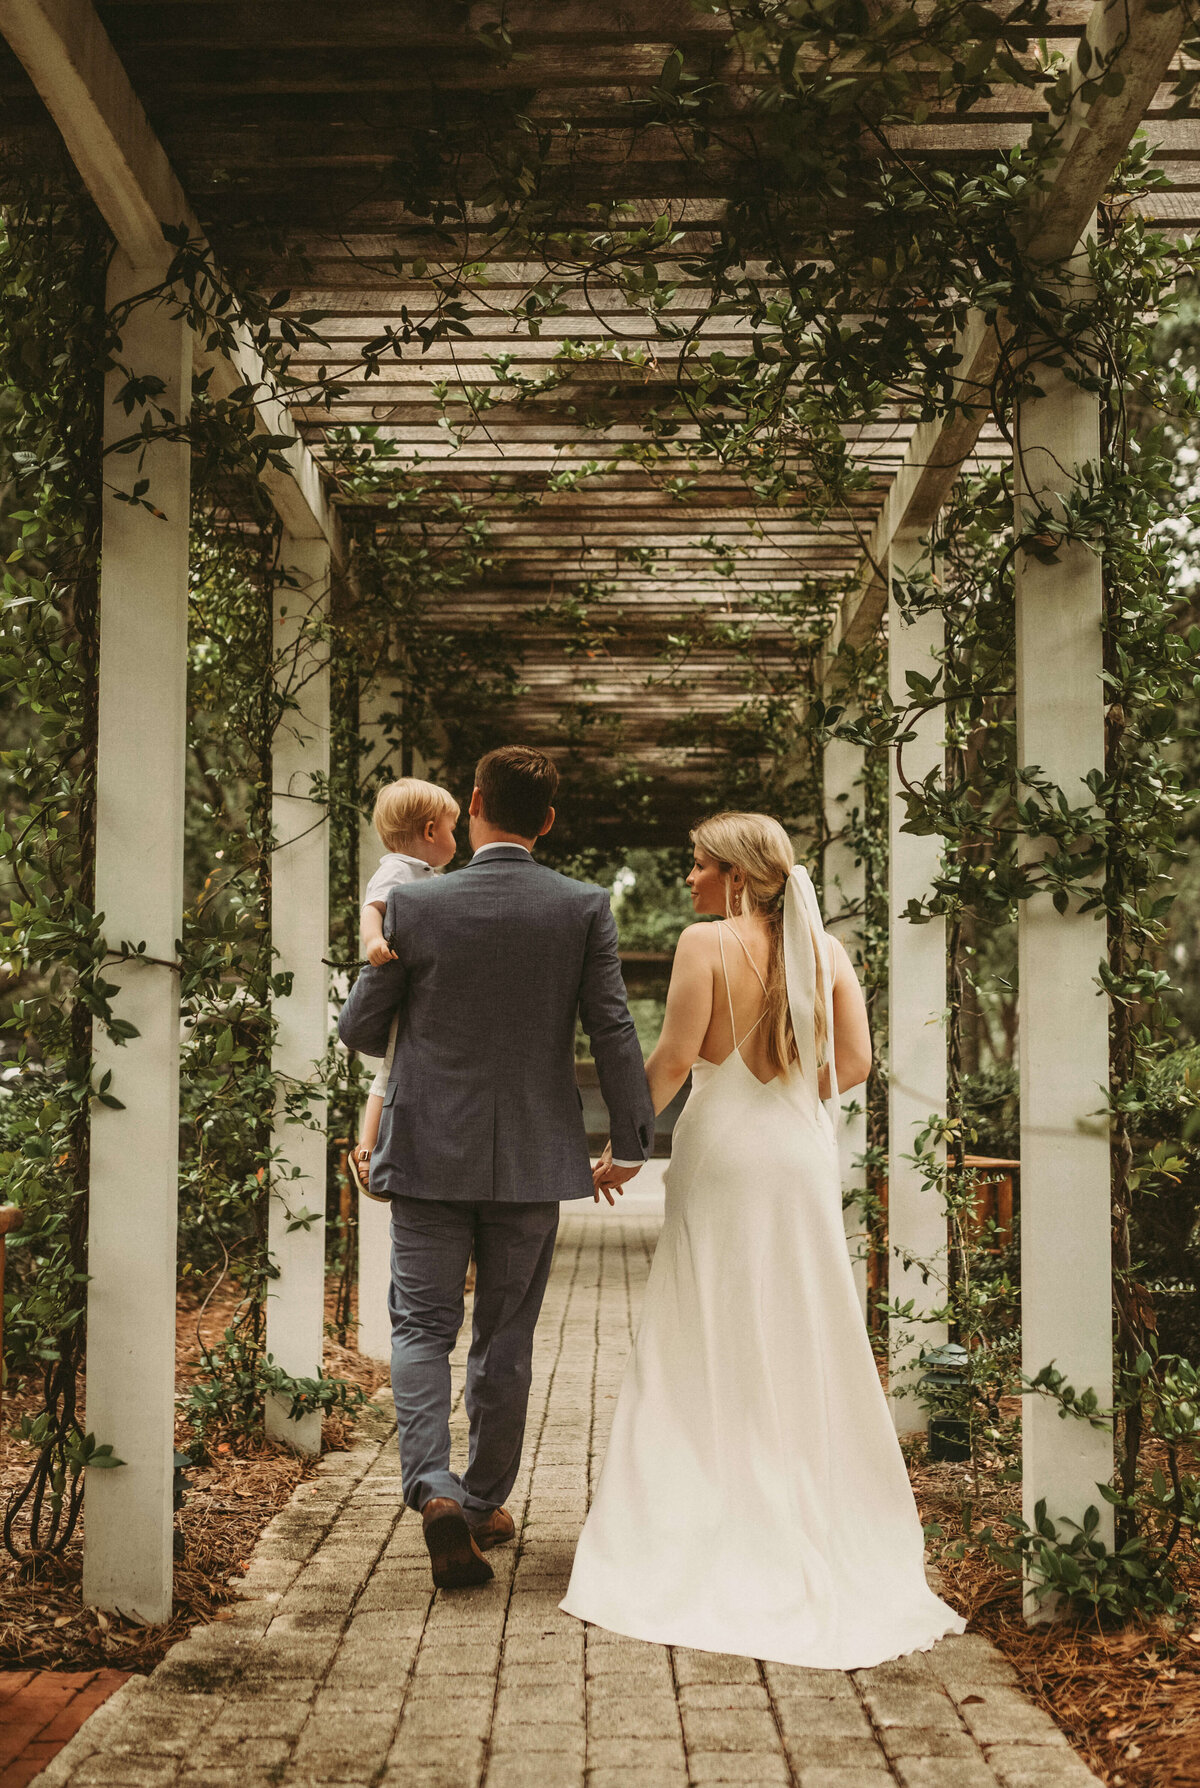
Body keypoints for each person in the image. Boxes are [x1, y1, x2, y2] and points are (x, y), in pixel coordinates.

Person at [563, 811, 965, 1669]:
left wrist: (625, 1146)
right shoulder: (829, 952)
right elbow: (853, 1065)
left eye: (698, 864)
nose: (690, 879)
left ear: (736, 875)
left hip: (721, 1152)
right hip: (795, 1154)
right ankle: (803, 1493)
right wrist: (786, 1087)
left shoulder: (704, 943)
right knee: (800, 1318)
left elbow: (672, 1057)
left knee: (705, 1322)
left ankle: (705, 1499)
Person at [337, 745, 655, 1590]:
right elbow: (613, 1027)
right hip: (529, 1158)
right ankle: (480, 1504)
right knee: (505, 1338)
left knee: (420, 1329)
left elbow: (362, 1032)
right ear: (546, 821)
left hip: (427, 1150)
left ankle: (432, 1491)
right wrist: (633, 1140)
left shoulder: (411, 903)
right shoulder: (581, 907)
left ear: (473, 804)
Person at [348, 776, 460, 1202]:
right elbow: (371, 908)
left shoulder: (430, 874)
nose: (456, 838)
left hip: (419, 987)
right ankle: (368, 1147)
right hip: (402, 985)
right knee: (390, 1071)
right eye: (451, 828)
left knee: (398, 1069)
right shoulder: (397, 870)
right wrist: (374, 941)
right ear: (431, 831)